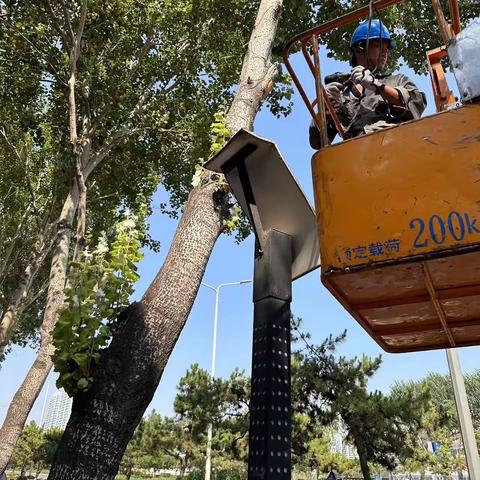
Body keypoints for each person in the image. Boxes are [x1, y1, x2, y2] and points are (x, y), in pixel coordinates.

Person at [309, 19, 427, 148]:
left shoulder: (397, 80)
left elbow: (417, 103)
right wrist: (325, 109)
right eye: (379, 45)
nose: (385, 52)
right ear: (360, 49)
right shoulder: (342, 94)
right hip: (356, 156)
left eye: (387, 48)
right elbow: (317, 143)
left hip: (395, 145)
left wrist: (377, 85)